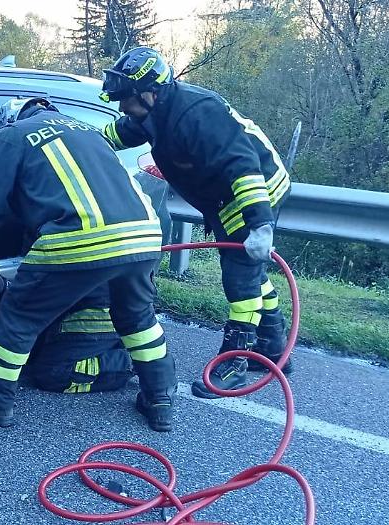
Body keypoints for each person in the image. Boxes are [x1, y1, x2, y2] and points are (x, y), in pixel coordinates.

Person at [0, 97, 178, 432]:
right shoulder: (90, 132)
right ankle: (160, 398)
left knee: (20, 319)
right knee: (137, 318)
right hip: (144, 235)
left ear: (8, 120)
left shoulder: (13, 135)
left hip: (79, 238)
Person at [98, 46, 292, 399]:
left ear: (149, 93)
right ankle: (274, 349)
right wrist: (84, 139)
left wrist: (260, 227)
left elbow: (243, 167)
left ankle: (235, 361)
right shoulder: (154, 112)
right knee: (251, 272)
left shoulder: (197, 113)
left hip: (252, 191)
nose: (122, 106)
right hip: (223, 196)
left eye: (127, 98)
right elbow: (120, 131)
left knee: (240, 276)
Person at [0, 273, 134, 394]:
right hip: (86, 301)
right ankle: (124, 346)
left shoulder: (53, 235)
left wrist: (5, 287)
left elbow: (47, 290)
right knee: (33, 354)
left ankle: (131, 362)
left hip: (97, 314)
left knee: (53, 374)